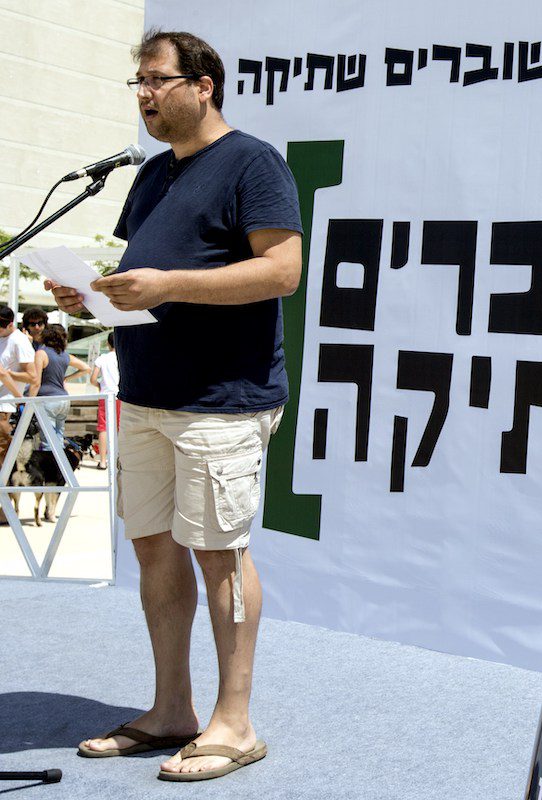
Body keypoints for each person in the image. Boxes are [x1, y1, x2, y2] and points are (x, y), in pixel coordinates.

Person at [46, 28, 302, 782]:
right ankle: (171, 711)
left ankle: (236, 722)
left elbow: (282, 271)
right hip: (149, 394)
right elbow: (143, 281)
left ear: (203, 85)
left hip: (222, 400)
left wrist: (166, 285)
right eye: (139, 83)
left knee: (218, 550)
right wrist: (92, 296)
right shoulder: (152, 175)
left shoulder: (253, 163)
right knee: (154, 547)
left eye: (156, 81)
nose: (144, 96)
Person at [28, 324, 90, 448]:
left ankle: (50, 467)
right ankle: (59, 466)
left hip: (47, 399)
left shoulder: (41, 353)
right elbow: (86, 368)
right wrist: (66, 378)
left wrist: (28, 402)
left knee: (47, 441)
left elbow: (36, 382)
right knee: (58, 438)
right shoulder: (65, 355)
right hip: (63, 399)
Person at [0, 306, 40, 413]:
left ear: (10, 325)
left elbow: (32, 377)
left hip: (5, 406)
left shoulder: (19, 341)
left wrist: (7, 374)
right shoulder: (2, 338)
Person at [90, 331, 120, 469]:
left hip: (105, 395)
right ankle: (119, 459)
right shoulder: (122, 356)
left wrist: (100, 385)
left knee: (103, 428)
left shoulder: (102, 358)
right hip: (120, 395)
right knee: (120, 428)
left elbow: (93, 378)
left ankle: (102, 461)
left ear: (108, 343)